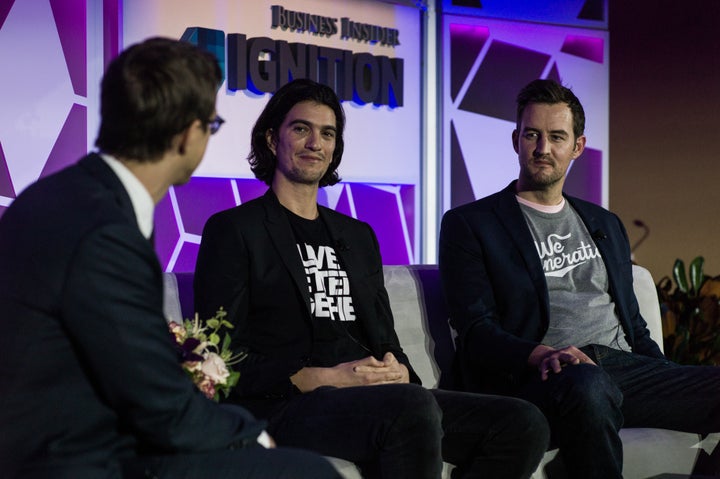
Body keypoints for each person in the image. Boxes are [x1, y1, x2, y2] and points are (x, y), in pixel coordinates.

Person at [0, 38, 341, 479]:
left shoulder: (68, 197)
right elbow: (157, 403)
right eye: (211, 124)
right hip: (70, 456)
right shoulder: (104, 230)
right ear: (187, 133)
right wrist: (251, 434)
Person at [194, 78, 550, 479]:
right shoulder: (234, 230)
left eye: (327, 133)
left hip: (376, 397)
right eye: (301, 129)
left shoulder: (357, 236)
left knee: (522, 422)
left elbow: (384, 339)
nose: (315, 143)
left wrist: (399, 370)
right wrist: (324, 378)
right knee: (410, 408)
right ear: (273, 140)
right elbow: (218, 355)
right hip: (290, 405)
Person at [438, 78, 720, 478]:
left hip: (624, 367)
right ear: (516, 139)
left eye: (556, 137)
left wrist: (669, 376)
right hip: (549, 375)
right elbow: (476, 330)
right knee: (587, 385)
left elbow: (633, 324)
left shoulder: (605, 223)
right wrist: (542, 354)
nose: (542, 149)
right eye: (532, 135)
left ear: (577, 146)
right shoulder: (472, 224)